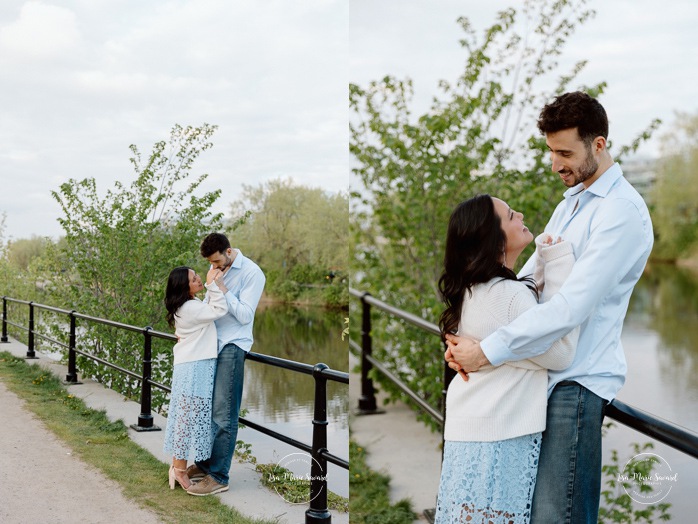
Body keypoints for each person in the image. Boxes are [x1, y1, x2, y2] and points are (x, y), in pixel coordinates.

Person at [445, 91, 654, 523]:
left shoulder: (621, 213)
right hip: (537, 379)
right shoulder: (568, 206)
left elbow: (570, 306)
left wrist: (486, 351)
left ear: (598, 145)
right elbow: (529, 287)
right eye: (551, 151)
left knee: (557, 517)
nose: (556, 164)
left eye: (565, 152)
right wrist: (473, 339)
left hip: (576, 383)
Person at [434, 194, 579, 523]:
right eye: (512, 214)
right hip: (500, 433)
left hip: (469, 428)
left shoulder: (474, 290)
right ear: (492, 238)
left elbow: (517, 339)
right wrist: (556, 262)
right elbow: (560, 353)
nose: (522, 213)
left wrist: (489, 353)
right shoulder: (510, 295)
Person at [185, 232, 266, 496]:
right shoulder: (216, 267)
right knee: (208, 410)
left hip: (233, 345)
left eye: (218, 262)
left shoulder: (253, 273)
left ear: (229, 252)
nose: (214, 268)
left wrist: (221, 288)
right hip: (211, 344)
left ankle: (219, 476)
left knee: (224, 413)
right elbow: (210, 307)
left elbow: (244, 315)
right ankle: (207, 465)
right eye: (211, 263)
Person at [163, 265, 228, 490]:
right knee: (186, 418)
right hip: (194, 367)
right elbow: (219, 310)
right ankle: (179, 469)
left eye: (197, 276)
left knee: (185, 416)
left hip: (191, 365)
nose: (199, 279)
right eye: (193, 279)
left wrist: (209, 287)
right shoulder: (190, 307)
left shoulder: (188, 305)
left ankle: (177, 466)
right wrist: (213, 284)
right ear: (184, 286)